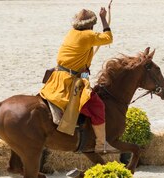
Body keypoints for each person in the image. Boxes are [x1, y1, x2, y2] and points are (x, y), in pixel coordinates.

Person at [40, 6, 119, 154]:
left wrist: (85, 77)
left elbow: (83, 71)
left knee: (88, 85)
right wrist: (103, 18)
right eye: (93, 25)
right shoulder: (88, 36)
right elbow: (109, 38)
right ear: (90, 25)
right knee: (97, 105)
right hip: (69, 80)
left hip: (60, 75)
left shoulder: (72, 33)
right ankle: (101, 144)